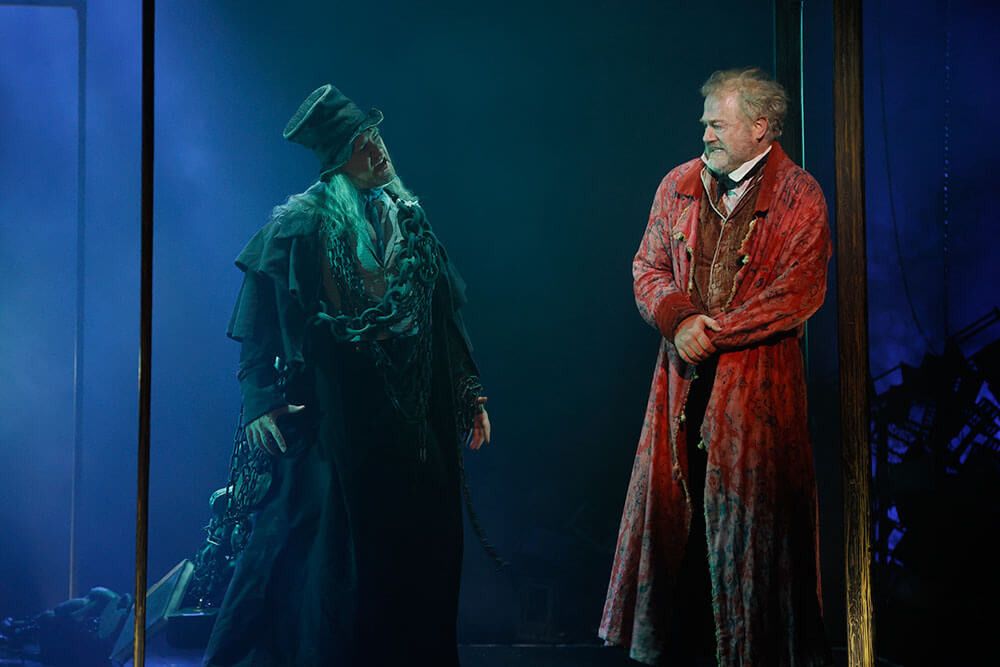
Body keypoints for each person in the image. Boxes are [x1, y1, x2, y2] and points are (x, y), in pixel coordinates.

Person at [203, 84, 491, 667]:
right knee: (328, 558)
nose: (377, 151)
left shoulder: (409, 220)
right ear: (338, 161)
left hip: (409, 414)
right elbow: (260, 321)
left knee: (416, 550)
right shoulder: (302, 224)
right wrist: (260, 397)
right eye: (362, 145)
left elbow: (442, 317)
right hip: (336, 413)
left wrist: (468, 392)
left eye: (375, 136)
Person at [600, 68, 832, 666]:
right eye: (705, 122)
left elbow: (800, 290)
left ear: (761, 127)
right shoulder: (679, 185)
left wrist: (714, 332)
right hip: (681, 388)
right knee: (678, 531)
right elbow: (647, 267)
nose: (704, 133)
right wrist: (678, 319)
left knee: (751, 533)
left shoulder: (799, 195)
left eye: (717, 123)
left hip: (757, 398)